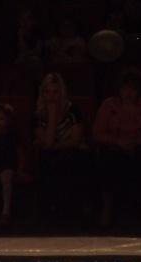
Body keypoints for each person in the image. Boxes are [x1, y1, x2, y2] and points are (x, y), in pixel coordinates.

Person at [92, 67, 141, 227]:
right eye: (125, 89)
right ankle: (107, 208)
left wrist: (140, 141)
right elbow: (97, 132)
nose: (129, 93)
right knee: (110, 161)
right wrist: (117, 141)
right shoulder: (109, 105)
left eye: (133, 89)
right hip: (114, 148)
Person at [34, 71, 91, 225]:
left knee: (70, 157)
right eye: (47, 92)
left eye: (55, 92)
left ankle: (73, 211)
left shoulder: (73, 111)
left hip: (73, 153)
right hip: (51, 154)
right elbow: (47, 143)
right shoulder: (38, 115)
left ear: (61, 92)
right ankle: (51, 212)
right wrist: (52, 116)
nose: (51, 96)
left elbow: (75, 141)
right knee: (47, 159)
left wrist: (53, 145)